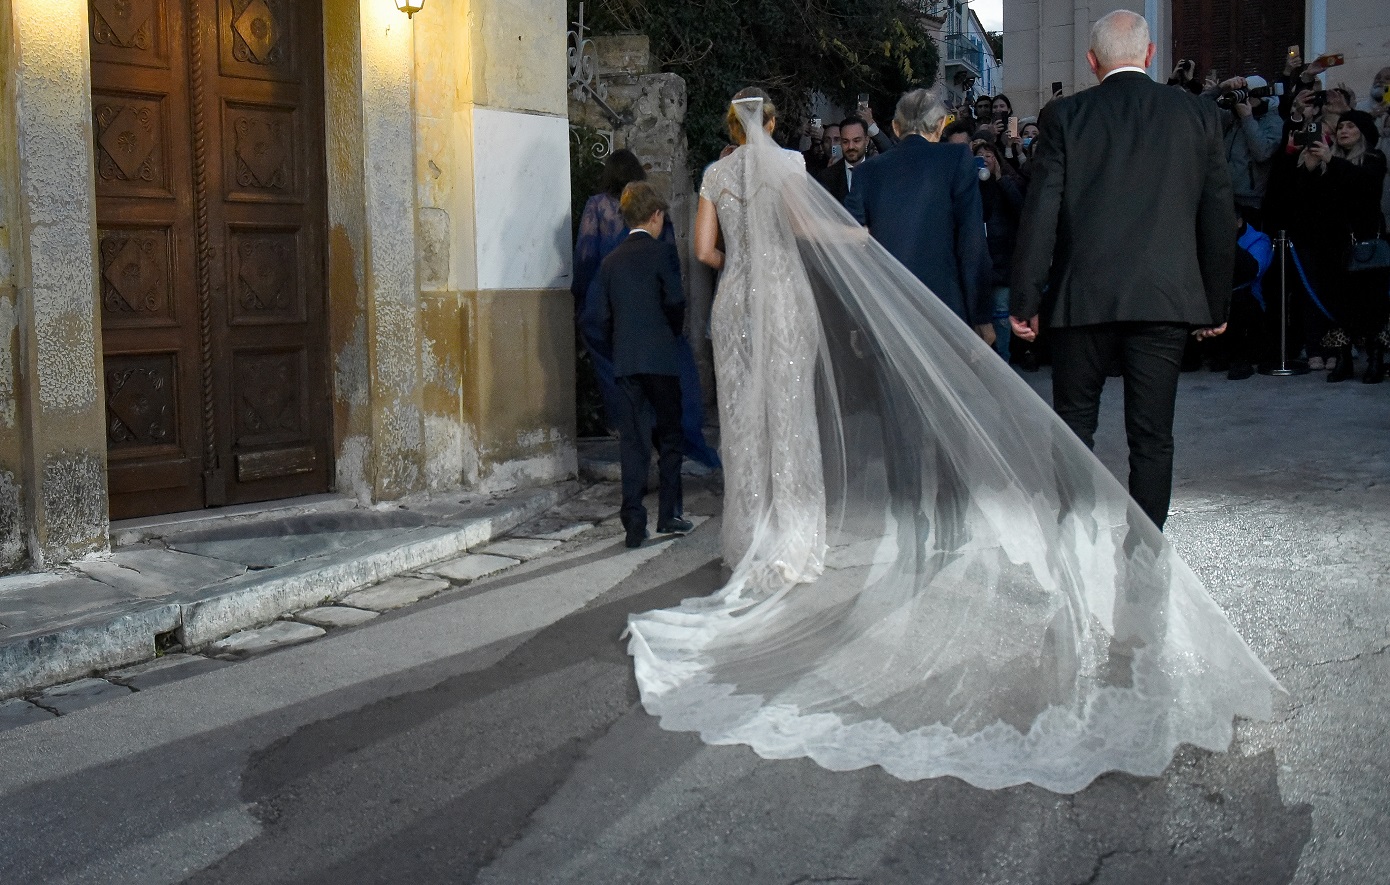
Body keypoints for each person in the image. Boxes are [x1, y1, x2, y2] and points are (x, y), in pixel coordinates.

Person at [625, 88, 1279, 794]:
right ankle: (1102, 552)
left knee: (752, 429)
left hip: (744, 306)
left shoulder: (734, 176)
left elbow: (703, 250)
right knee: (803, 421)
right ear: (774, 123)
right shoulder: (803, 164)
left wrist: (752, 270)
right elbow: (880, 236)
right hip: (809, 300)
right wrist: (980, 305)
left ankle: (761, 537)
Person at [1011, 10, 1235, 530]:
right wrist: (1215, 302)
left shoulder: (1065, 117)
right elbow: (1217, 214)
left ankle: (1070, 539)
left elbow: (1040, 211)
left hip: (1082, 298)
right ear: (1150, 55)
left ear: (1092, 62)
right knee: (1153, 436)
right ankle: (1146, 554)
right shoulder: (1197, 115)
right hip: (1164, 297)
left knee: (1073, 428)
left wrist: (1025, 299)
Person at [572, 150, 722, 470]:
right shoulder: (654, 211)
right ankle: (670, 437)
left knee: (619, 375)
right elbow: (668, 258)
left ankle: (638, 438)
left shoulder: (597, 207)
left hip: (609, 303)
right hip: (650, 306)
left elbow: (585, 260)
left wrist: (583, 305)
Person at [581, 183, 695, 548]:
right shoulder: (661, 255)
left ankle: (633, 522)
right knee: (670, 437)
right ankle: (669, 515)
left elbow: (596, 317)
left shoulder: (610, 262)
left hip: (627, 363)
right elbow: (676, 301)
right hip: (661, 360)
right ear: (656, 215)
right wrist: (670, 333)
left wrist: (618, 347)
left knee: (633, 442)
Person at [845, 89, 993, 342]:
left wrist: (856, 319)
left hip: (884, 313)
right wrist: (981, 315)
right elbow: (972, 241)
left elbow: (849, 247)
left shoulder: (866, 172)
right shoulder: (956, 158)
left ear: (895, 127)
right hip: (945, 309)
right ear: (938, 126)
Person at [972, 139, 1024, 360]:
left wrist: (1001, 180)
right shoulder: (971, 186)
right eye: (980, 156)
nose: (985, 159)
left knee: (1002, 315)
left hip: (1003, 261)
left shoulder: (1009, 182)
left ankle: (1003, 358)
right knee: (981, 317)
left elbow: (1020, 208)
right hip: (980, 260)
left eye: (989, 155)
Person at [815, 116, 871, 203]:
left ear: (866, 141)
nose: (850, 146)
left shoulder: (880, 172)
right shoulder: (826, 177)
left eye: (856, 141)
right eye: (845, 141)